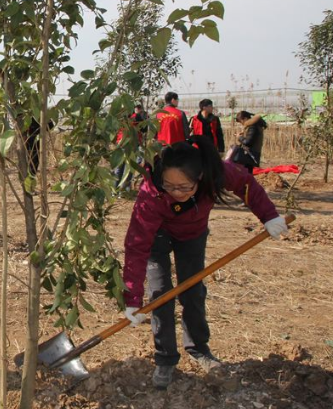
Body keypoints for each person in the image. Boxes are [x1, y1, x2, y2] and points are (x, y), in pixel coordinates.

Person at [121, 135, 288, 390]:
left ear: (200, 178)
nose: (177, 193)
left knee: (193, 291)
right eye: (170, 186)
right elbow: (136, 246)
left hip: (192, 235)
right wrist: (132, 298)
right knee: (160, 294)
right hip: (157, 237)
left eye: (185, 187)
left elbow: (246, 184)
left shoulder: (216, 172)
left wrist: (269, 216)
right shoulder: (151, 193)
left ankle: (198, 349)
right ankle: (165, 358)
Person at [114, 105, 148, 189]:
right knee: (129, 168)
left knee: (120, 166)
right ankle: (125, 189)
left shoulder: (120, 117)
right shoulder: (137, 117)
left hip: (121, 143)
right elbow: (144, 129)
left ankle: (115, 188)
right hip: (132, 144)